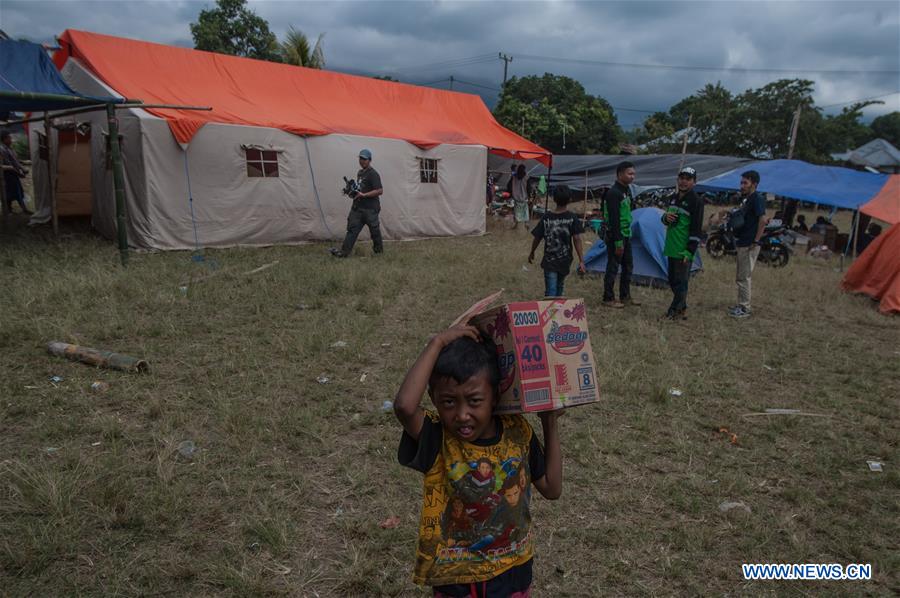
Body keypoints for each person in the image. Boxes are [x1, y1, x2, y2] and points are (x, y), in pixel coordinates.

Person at [394, 325, 562, 597]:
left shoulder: (518, 432)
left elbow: (552, 488)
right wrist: (437, 341)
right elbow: (404, 406)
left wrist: (549, 421)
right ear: (433, 399)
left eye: (474, 401)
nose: (461, 414)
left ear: (495, 396)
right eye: (448, 402)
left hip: (512, 572)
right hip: (456, 580)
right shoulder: (437, 438)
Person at [661, 166, 704, 320]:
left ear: (694, 182)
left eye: (688, 179)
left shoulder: (696, 201)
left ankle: (673, 312)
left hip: (683, 248)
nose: (684, 182)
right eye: (682, 178)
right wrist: (666, 218)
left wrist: (689, 251)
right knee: (672, 280)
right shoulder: (673, 197)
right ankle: (681, 308)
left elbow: (696, 229)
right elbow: (665, 218)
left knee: (680, 282)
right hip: (671, 246)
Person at [528, 184, 586, 297]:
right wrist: (581, 260)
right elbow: (577, 239)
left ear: (554, 199)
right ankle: (556, 311)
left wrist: (532, 252)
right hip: (565, 260)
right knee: (559, 288)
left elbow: (537, 237)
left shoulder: (546, 217)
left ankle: (553, 312)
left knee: (552, 291)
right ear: (570, 199)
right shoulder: (572, 217)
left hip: (550, 260)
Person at [330, 149, 383, 257]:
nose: (362, 161)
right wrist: (351, 192)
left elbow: (379, 190)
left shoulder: (373, 174)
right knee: (352, 230)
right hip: (358, 208)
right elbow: (360, 189)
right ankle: (344, 253)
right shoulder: (360, 173)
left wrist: (364, 195)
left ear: (370, 160)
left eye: (364, 159)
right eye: (360, 158)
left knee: (375, 232)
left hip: (370, 209)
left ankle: (379, 253)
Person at [729, 170, 767, 318]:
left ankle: (745, 308)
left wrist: (756, 240)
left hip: (749, 242)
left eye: (745, 183)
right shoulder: (748, 199)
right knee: (741, 275)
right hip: (743, 240)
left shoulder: (757, 198)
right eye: (741, 182)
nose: (742, 186)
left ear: (754, 184)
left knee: (744, 276)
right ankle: (741, 304)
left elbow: (762, 220)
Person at [602, 161, 639, 308]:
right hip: (616, 236)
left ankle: (625, 296)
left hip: (626, 233)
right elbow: (614, 219)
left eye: (634, 174)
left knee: (628, 265)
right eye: (630, 174)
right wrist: (618, 241)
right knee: (613, 266)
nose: (632, 177)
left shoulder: (626, 190)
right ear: (620, 174)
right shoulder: (613, 193)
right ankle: (608, 298)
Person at [1, 131, 31, 215]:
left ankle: (22, 209)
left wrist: (22, 168)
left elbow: (15, 161)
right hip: (7, 175)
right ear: (4, 139)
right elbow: (7, 165)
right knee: (11, 193)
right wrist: (19, 173)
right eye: (9, 138)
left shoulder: (9, 148)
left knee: (17, 192)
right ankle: (10, 210)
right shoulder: (2, 150)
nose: (11, 139)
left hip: (13, 174)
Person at [510, 164, 529, 230]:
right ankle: (526, 223)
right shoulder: (526, 176)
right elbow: (528, 187)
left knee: (516, 211)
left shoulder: (514, 176)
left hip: (516, 197)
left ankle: (516, 224)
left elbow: (510, 184)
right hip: (524, 197)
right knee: (525, 211)